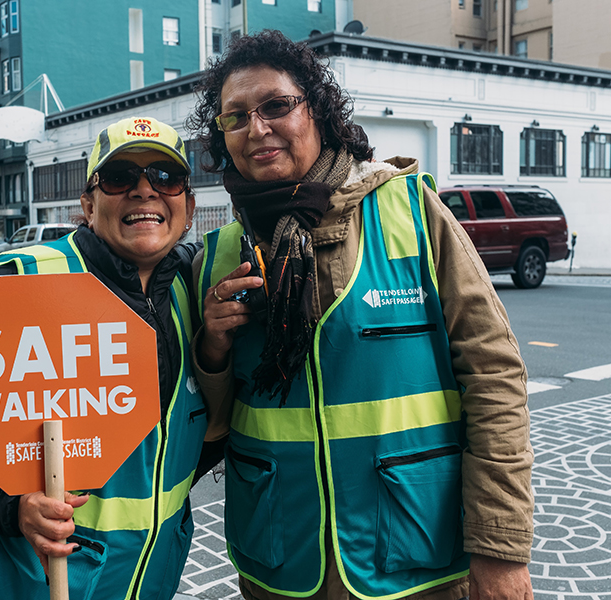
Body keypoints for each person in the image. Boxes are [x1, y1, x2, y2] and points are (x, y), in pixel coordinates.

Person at [187, 30, 534, 600]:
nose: (257, 128)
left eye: (276, 105)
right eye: (235, 117)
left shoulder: (411, 211)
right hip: (282, 562)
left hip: (414, 559)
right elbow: (208, 425)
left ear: (318, 111)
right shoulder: (218, 256)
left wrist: (499, 549)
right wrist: (214, 351)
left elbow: (493, 375)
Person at [0, 116, 217, 600]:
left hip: (137, 583)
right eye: (119, 177)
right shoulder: (24, 282)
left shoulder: (195, 294)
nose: (145, 190)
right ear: (88, 205)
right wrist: (10, 507)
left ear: (188, 207)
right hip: (8, 585)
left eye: (166, 177)